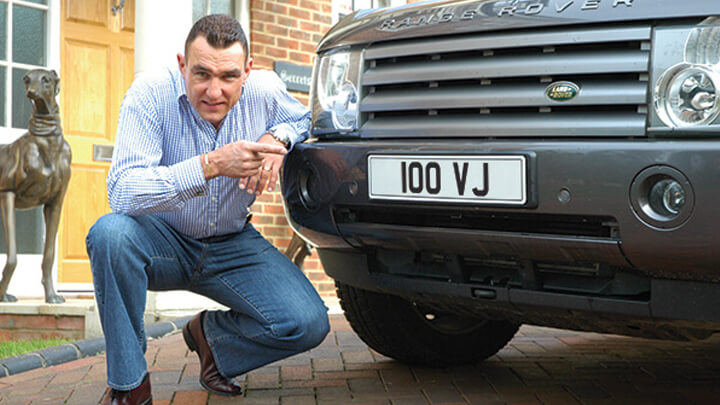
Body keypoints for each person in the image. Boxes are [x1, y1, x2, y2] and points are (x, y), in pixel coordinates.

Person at [85, 14, 330, 405]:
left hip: (233, 243)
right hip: (161, 242)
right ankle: (130, 387)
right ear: (182, 65)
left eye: (229, 77)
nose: (214, 91)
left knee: (308, 322)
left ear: (247, 72)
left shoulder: (265, 89)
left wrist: (278, 137)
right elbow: (123, 192)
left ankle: (212, 340)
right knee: (109, 234)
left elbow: (304, 118)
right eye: (201, 74)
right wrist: (210, 165)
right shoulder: (150, 94)